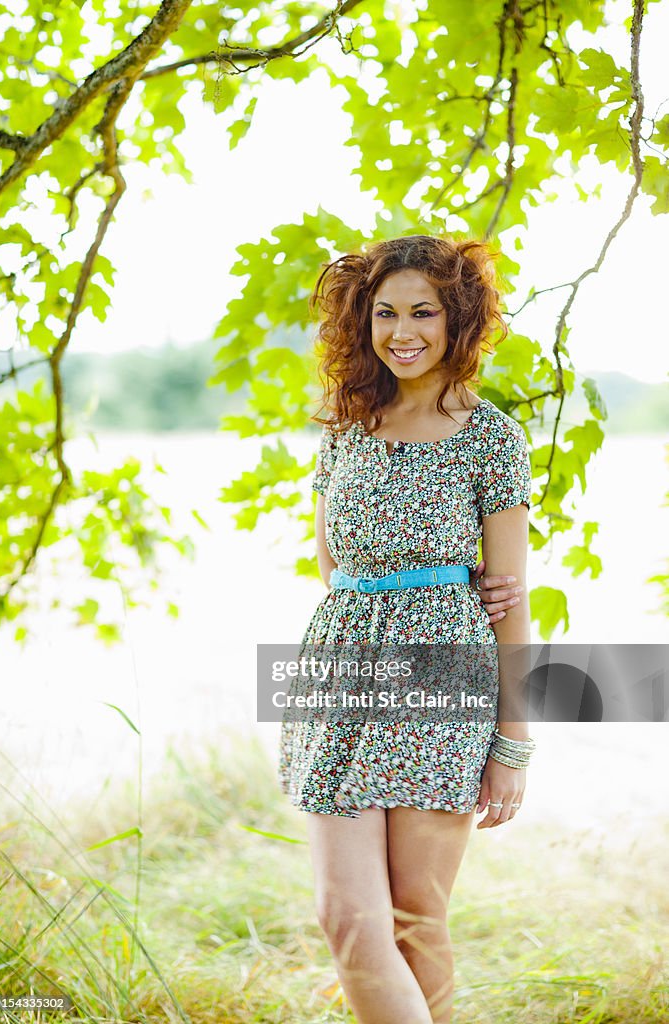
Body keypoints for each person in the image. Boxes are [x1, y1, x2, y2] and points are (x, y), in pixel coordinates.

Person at [277, 234, 535, 1024]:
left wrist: (511, 744)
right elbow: (331, 566)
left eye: (423, 311)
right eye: (384, 313)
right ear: (364, 324)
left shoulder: (491, 437)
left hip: (440, 682)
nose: (403, 331)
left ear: (458, 320)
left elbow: (513, 604)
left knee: (416, 919)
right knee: (347, 919)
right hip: (339, 676)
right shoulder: (344, 430)